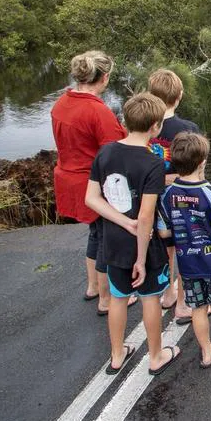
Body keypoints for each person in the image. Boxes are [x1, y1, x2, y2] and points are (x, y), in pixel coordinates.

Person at [85, 93, 181, 375]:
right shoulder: (151, 163)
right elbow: (146, 216)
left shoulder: (105, 152)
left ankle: (116, 355)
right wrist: (140, 257)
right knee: (150, 298)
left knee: (118, 297)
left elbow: (91, 198)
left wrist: (120, 221)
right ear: (155, 126)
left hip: (112, 242)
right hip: (144, 246)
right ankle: (155, 356)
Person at [51, 50, 136, 315]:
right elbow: (114, 154)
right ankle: (106, 299)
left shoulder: (60, 103)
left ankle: (92, 287)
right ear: (104, 77)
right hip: (94, 185)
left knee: (95, 234)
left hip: (69, 178)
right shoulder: (97, 112)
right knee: (106, 240)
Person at [157, 132, 211, 372]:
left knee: (198, 309)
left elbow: (164, 233)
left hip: (188, 266)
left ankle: (206, 352)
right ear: (202, 161)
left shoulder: (167, 196)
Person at [146, 69, 200, 321]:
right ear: (179, 96)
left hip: (154, 201)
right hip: (181, 200)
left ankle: (167, 293)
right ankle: (182, 303)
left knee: (165, 246)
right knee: (184, 247)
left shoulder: (144, 127)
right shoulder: (188, 128)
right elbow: (197, 169)